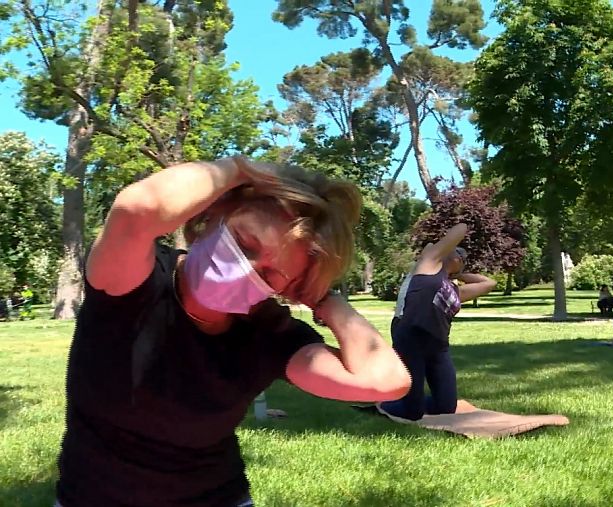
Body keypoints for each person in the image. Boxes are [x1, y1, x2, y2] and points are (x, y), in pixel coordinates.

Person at [55, 157, 411, 507]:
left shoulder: (266, 333)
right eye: (243, 242)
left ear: (287, 289)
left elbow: (384, 381)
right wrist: (239, 169)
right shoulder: (136, 280)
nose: (246, 268)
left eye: (272, 274)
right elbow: (137, 208)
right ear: (212, 216)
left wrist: (327, 301)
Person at [376, 223, 497, 422]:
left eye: (462, 258)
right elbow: (461, 228)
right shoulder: (427, 264)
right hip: (410, 339)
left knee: (447, 407)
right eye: (459, 253)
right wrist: (445, 253)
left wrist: (458, 274)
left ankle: (407, 399)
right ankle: (385, 402)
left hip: (438, 346)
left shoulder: (456, 290)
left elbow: (489, 283)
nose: (460, 257)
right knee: (412, 414)